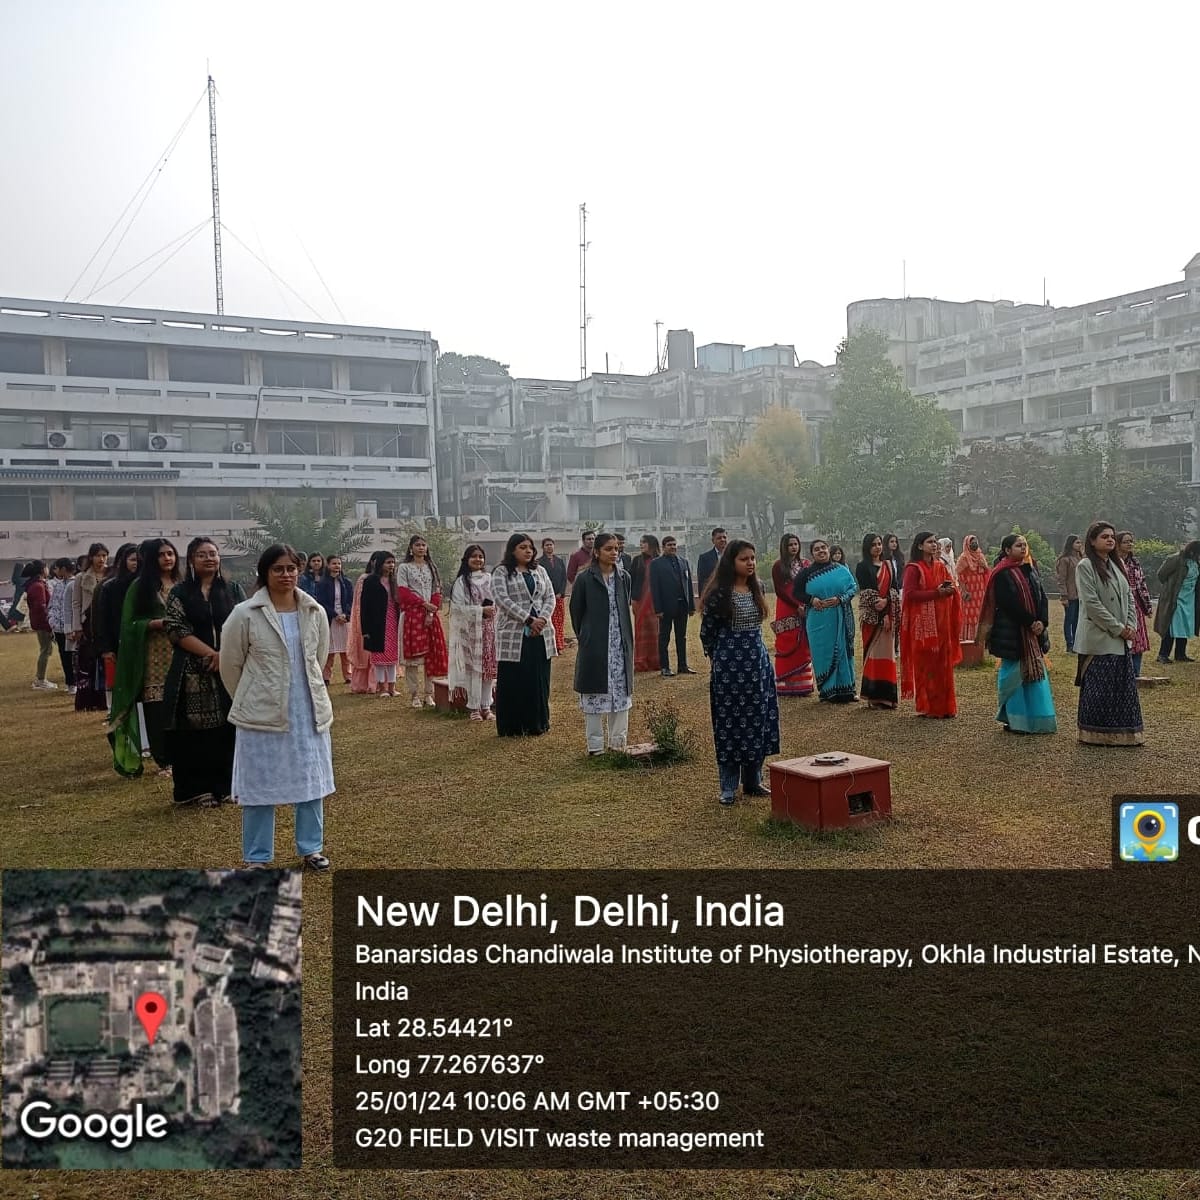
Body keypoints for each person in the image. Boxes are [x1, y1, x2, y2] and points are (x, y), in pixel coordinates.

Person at [220, 544, 334, 868]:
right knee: (259, 786)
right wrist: (252, 697)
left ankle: (311, 848)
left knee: (310, 781)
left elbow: (318, 657)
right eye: (278, 569)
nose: (286, 575)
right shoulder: (245, 614)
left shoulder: (314, 611)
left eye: (291, 568)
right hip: (262, 713)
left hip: (306, 709)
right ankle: (257, 857)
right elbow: (230, 665)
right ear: (265, 573)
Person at [161, 538, 246, 805]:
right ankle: (196, 790)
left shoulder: (232, 589)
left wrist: (225, 655)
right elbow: (175, 628)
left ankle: (227, 786)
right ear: (191, 560)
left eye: (213, 554)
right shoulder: (180, 593)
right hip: (191, 672)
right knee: (194, 732)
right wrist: (210, 654)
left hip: (228, 669)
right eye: (202, 555)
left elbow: (245, 625)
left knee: (228, 729)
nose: (209, 558)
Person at [700, 540, 780, 806]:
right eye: (744, 559)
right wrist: (721, 659)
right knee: (730, 725)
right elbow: (707, 634)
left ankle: (753, 780)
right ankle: (728, 786)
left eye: (753, 558)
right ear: (730, 562)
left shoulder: (758, 587)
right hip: (729, 670)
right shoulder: (718, 595)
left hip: (757, 666)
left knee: (757, 721)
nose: (750, 563)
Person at [108, 538, 182, 777]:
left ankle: (186, 755)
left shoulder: (183, 583)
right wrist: (154, 624)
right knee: (157, 708)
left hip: (182, 651)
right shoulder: (139, 587)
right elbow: (128, 625)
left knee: (182, 705)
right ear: (151, 558)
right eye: (162, 555)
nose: (168, 558)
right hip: (152, 655)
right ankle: (165, 760)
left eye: (171, 553)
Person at [976, 533, 1056, 735]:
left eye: (1024, 545)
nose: (1023, 548)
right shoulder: (1001, 574)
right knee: (1013, 677)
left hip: (1033, 633)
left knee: (1035, 676)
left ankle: (1037, 720)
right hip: (1011, 632)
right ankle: (1016, 721)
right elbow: (1008, 603)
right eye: (1018, 545)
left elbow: (1042, 597)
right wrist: (1030, 622)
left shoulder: (1030, 569)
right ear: (1007, 550)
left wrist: (1042, 622)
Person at [1074, 522, 1143, 747]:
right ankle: (1094, 734)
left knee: (1122, 691)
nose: (1110, 540)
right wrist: (1118, 628)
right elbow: (1092, 605)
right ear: (1092, 541)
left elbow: (1130, 598)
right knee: (1099, 690)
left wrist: (1131, 626)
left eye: (1112, 536)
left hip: (1122, 640)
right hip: (1100, 638)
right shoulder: (1085, 566)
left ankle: (1124, 735)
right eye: (1104, 536)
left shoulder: (1118, 564)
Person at [569, 532, 634, 754]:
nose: (614, 552)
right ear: (596, 552)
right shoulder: (585, 579)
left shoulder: (624, 577)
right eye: (608, 549)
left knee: (621, 694)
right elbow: (576, 613)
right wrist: (586, 636)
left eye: (616, 548)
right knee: (594, 694)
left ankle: (618, 743)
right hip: (596, 645)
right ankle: (595, 746)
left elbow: (625, 607)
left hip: (619, 644)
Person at [491, 533, 557, 736]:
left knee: (538, 678)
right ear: (512, 550)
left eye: (530, 547)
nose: (528, 551)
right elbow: (502, 599)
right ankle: (513, 726)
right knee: (514, 679)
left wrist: (542, 620)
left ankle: (537, 723)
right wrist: (528, 619)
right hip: (514, 633)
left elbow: (550, 597)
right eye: (522, 547)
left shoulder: (540, 571)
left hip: (541, 633)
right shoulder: (502, 572)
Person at [900, 532, 963, 717]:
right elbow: (910, 595)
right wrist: (937, 593)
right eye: (929, 542)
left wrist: (951, 590)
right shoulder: (913, 568)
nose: (934, 545)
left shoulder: (940, 566)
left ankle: (945, 708)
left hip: (941, 623)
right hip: (923, 628)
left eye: (935, 542)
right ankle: (928, 707)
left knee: (942, 666)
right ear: (920, 546)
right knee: (926, 667)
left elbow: (951, 587)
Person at [794, 540, 858, 703]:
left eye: (823, 548)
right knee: (822, 652)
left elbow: (853, 588)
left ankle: (847, 690)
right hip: (817, 620)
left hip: (840, 617)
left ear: (828, 550)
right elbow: (797, 593)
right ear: (812, 553)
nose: (821, 551)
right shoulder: (805, 573)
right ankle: (827, 691)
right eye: (817, 549)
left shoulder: (841, 569)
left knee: (843, 651)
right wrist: (811, 600)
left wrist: (840, 599)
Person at [395, 535, 448, 707]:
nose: (421, 548)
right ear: (411, 548)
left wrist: (431, 609)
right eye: (417, 545)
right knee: (413, 660)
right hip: (412, 614)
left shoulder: (431, 567)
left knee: (430, 657)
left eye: (424, 545)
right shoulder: (404, 568)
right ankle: (414, 695)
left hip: (430, 615)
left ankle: (428, 694)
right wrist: (423, 604)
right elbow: (403, 592)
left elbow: (437, 589)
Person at [449, 544, 497, 721]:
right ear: (466, 560)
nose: (478, 560)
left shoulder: (490, 578)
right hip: (471, 632)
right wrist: (480, 611)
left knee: (488, 670)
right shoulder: (462, 582)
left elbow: (498, 600)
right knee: (473, 670)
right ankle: (474, 707)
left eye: (481, 557)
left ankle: (486, 706)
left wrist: (493, 610)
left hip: (489, 631)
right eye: (474, 556)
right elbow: (457, 608)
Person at [855, 533, 899, 709]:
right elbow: (867, 592)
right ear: (867, 547)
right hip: (871, 619)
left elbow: (894, 588)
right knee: (873, 654)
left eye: (880, 544)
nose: (878, 547)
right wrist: (882, 614)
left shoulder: (889, 565)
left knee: (887, 656)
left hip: (888, 615)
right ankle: (873, 697)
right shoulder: (862, 567)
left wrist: (887, 604)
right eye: (873, 544)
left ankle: (887, 697)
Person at [770, 534, 814, 697]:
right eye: (790, 545)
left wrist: (805, 603)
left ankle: (803, 685)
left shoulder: (806, 564)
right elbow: (779, 590)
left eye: (796, 544)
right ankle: (784, 683)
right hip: (787, 607)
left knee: (803, 641)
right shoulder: (778, 566)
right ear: (784, 547)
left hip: (804, 605)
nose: (794, 547)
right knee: (787, 640)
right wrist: (796, 606)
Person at [69, 542, 109, 712]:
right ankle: (87, 700)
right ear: (91, 557)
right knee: (87, 662)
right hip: (87, 624)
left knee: (105, 661)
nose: (101, 559)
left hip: (106, 623)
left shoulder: (111, 575)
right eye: (98, 555)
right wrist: (76, 627)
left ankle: (104, 700)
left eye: (104, 555)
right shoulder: (81, 577)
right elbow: (76, 603)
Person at [94, 543, 140, 690]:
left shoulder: (151, 585)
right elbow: (102, 620)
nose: (137, 563)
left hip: (143, 642)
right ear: (123, 561)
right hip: (118, 643)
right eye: (133, 559)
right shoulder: (110, 587)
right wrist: (106, 648)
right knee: (119, 686)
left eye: (140, 559)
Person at [650, 535, 695, 676]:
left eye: (674, 544)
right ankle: (665, 667)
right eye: (669, 545)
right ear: (663, 547)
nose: (673, 547)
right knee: (664, 638)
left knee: (681, 637)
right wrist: (658, 609)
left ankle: (683, 666)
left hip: (682, 606)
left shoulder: (683, 562)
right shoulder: (656, 564)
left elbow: (688, 585)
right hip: (666, 607)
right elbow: (654, 588)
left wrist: (691, 606)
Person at [360, 552, 401, 697]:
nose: (391, 565)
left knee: (392, 656)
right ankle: (382, 688)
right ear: (380, 564)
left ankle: (392, 687)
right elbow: (364, 606)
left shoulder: (394, 580)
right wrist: (365, 629)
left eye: (392, 562)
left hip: (393, 620)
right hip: (377, 622)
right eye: (388, 562)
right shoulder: (370, 581)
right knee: (379, 657)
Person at [1153, 540, 1200, 664]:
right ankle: (1163, 654)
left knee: (1184, 626)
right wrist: (1169, 588)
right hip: (1175, 598)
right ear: (1192, 551)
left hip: (1189, 598)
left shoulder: (1195, 562)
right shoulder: (1175, 559)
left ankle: (1180, 654)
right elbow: (1161, 574)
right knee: (1171, 626)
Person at [346, 551, 386, 694]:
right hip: (367, 620)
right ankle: (363, 684)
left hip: (382, 620)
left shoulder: (387, 579)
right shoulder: (364, 579)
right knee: (365, 653)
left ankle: (379, 683)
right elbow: (359, 603)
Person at [1114, 532, 1152, 678]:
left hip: (1136, 603)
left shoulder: (1135, 562)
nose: (1129, 544)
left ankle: (1136, 672)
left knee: (1138, 638)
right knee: (1125, 636)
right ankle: (1124, 673)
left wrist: (1147, 607)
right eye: (1125, 542)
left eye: (1131, 541)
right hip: (1120, 602)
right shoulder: (1113, 562)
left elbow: (1142, 584)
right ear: (1118, 544)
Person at [313, 554, 354, 685]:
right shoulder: (322, 583)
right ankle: (326, 677)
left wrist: (345, 615)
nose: (337, 566)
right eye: (334, 563)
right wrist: (335, 615)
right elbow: (322, 602)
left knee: (345, 651)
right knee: (329, 650)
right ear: (328, 566)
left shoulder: (346, 582)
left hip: (344, 620)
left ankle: (348, 676)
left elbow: (350, 601)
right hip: (330, 619)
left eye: (339, 564)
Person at [629, 534, 662, 673]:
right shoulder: (637, 560)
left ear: (652, 544)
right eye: (641, 542)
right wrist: (631, 598)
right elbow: (631, 580)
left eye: (644, 542)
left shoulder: (659, 560)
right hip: (640, 601)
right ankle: (641, 662)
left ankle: (656, 662)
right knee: (641, 630)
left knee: (655, 631)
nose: (641, 545)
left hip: (656, 601)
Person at [22, 562, 55, 690]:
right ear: (42, 570)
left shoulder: (36, 584)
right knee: (45, 650)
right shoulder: (38, 586)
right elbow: (41, 607)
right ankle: (40, 679)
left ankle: (40, 679)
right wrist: (49, 623)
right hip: (43, 623)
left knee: (46, 649)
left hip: (40, 622)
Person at [48, 558, 77, 694]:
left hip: (72, 627)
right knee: (64, 655)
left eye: (57, 568)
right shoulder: (58, 585)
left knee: (74, 656)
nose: (56, 571)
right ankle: (70, 682)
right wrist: (52, 620)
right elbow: (53, 604)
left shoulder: (76, 583)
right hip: (59, 627)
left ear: (63, 569)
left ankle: (76, 682)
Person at [955, 534, 990, 644]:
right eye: (972, 542)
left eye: (975, 541)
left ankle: (980, 639)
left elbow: (987, 572)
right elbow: (960, 577)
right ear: (967, 544)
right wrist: (965, 591)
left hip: (980, 591)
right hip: (969, 590)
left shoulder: (980, 555)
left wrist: (984, 565)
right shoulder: (963, 558)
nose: (974, 544)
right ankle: (968, 638)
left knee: (979, 613)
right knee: (969, 615)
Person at [537, 537, 568, 653]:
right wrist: (548, 595)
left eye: (551, 544)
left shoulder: (559, 561)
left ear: (554, 546)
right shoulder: (539, 562)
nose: (549, 547)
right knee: (549, 622)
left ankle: (559, 645)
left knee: (559, 622)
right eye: (546, 545)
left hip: (559, 597)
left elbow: (564, 578)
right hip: (546, 598)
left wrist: (561, 593)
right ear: (543, 547)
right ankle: (550, 645)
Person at [1055, 535, 1082, 652]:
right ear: (1071, 544)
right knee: (1069, 619)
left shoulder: (1080, 559)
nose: (1079, 545)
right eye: (1077, 543)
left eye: (1080, 543)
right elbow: (1062, 579)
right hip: (1070, 595)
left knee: (1078, 620)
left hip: (1080, 595)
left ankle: (1076, 643)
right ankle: (1069, 644)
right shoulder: (1064, 560)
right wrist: (1064, 596)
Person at [697, 528, 727, 601]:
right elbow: (702, 581)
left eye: (724, 537)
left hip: (730, 596)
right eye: (719, 538)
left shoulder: (734, 556)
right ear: (713, 541)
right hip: (713, 597)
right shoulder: (704, 558)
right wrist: (703, 600)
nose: (722, 539)